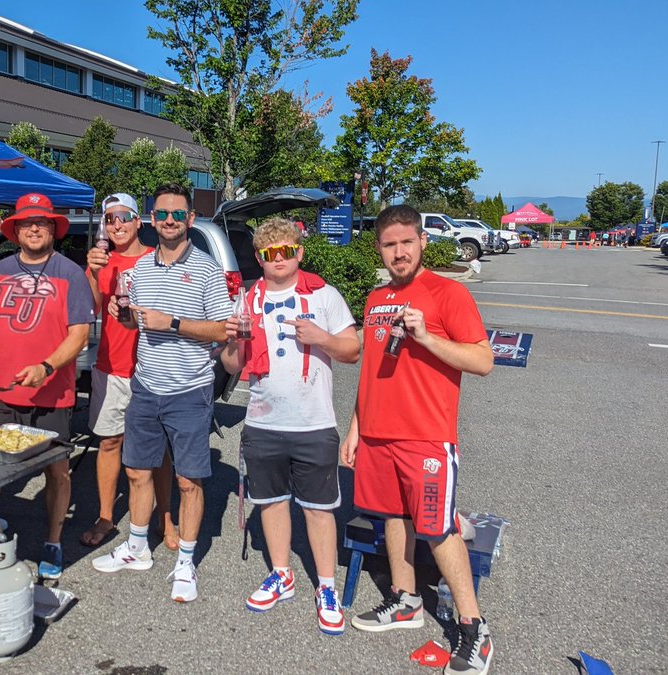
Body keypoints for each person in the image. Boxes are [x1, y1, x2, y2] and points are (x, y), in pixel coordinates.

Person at [342, 206, 495, 674]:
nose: (399, 252)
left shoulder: (449, 293)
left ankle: (474, 628)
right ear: (379, 248)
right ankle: (406, 600)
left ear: (422, 241)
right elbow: (371, 370)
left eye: (407, 242)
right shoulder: (375, 298)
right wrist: (355, 428)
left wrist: (427, 338)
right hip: (377, 436)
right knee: (393, 516)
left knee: (436, 527)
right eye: (389, 245)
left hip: (426, 437)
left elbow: (483, 361)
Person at [91, 183, 231, 604]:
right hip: (146, 385)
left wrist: (172, 322)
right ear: (152, 219)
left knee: (188, 481)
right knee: (137, 471)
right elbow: (137, 323)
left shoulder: (207, 269)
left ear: (190, 219)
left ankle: (186, 563)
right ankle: (137, 548)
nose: (170, 220)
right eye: (163, 214)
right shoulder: (141, 270)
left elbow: (223, 331)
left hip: (189, 389)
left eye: (178, 214)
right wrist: (124, 316)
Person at [220, 218, 360, 633]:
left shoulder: (323, 295)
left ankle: (327, 586)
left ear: (299, 252)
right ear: (259, 258)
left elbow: (352, 350)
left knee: (319, 509)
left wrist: (321, 337)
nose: (277, 259)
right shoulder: (248, 299)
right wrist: (233, 341)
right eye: (268, 253)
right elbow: (232, 364)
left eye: (285, 251)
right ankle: (282, 574)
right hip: (263, 421)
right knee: (271, 502)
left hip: (314, 421)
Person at [0, 193, 93, 581]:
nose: (34, 228)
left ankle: (53, 541)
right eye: (27, 223)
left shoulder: (71, 273)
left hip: (52, 394)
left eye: (42, 222)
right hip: (1, 390)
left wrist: (46, 367)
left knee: (58, 473)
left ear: (53, 229)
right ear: (14, 231)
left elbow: (79, 334)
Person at [80, 193, 178, 550]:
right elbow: (88, 308)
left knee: (159, 450)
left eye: (123, 217)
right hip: (111, 366)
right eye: (109, 219)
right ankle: (106, 517)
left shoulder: (157, 259)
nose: (116, 224)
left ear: (139, 221)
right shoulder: (100, 261)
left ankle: (165, 518)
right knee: (109, 442)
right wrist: (93, 273)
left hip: (153, 368)